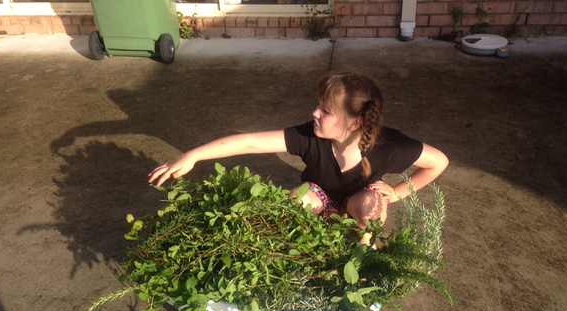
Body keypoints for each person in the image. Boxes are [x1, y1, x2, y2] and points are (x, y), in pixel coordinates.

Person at [148, 71, 448, 244]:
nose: (314, 113)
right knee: (293, 204)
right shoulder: (309, 135)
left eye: (326, 110)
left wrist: (395, 193)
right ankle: (302, 249)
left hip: (358, 203)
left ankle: (363, 254)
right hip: (319, 199)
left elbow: (439, 162)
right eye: (318, 105)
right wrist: (194, 155)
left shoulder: (389, 145)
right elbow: (251, 142)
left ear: (355, 122)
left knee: (372, 206)